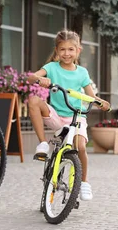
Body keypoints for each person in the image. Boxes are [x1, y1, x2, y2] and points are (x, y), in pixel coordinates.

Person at [27, 29, 111, 201]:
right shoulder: (51, 67)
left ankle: (84, 182)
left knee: (80, 147)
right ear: (57, 51)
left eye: (71, 49)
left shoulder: (82, 72)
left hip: (76, 117)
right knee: (34, 101)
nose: (66, 53)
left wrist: (101, 103)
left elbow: (91, 96)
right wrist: (39, 79)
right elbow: (30, 77)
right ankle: (43, 143)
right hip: (57, 116)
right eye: (63, 49)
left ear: (78, 50)